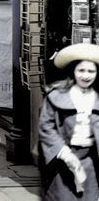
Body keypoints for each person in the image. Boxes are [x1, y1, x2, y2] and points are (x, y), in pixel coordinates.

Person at [40, 43, 99, 199]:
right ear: (73, 71)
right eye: (81, 70)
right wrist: (66, 154)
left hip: (91, 162)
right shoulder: (57, 95)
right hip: (63, 161)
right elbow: (46, 127)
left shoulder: (97, 97)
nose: (86, 76)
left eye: (91, 71)